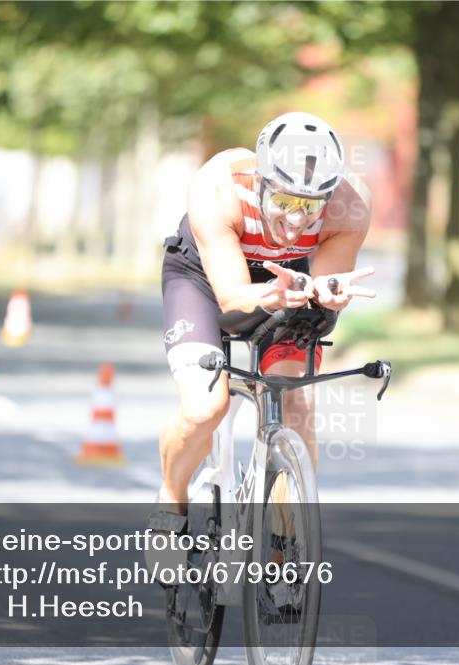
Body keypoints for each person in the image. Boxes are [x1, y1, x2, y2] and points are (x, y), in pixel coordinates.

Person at [152, 111, 375, 537]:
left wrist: (328, 293)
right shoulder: (219, 185)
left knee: (294, 404)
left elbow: (322, 287)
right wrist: (271, 293)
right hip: (203, 278)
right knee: (205, 409)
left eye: (310, 206)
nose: (296, 220)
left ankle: (283, 549)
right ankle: (171, 497)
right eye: (286, 201)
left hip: (288, 281)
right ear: (261, 180)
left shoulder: (349, 208)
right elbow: (232, 296)